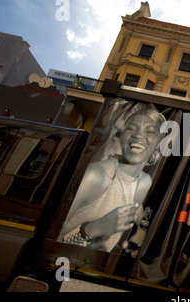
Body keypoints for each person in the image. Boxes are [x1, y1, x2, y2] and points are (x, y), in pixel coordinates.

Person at [59, 103, 165, 253]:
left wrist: (140, 233)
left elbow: (140, 220)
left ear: (157, 145)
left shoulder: (143, 182)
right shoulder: (95, 176)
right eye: (131, 128)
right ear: (120, 137)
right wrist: (90, 230)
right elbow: (50, 240)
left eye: (150, 132)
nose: (139, 135)